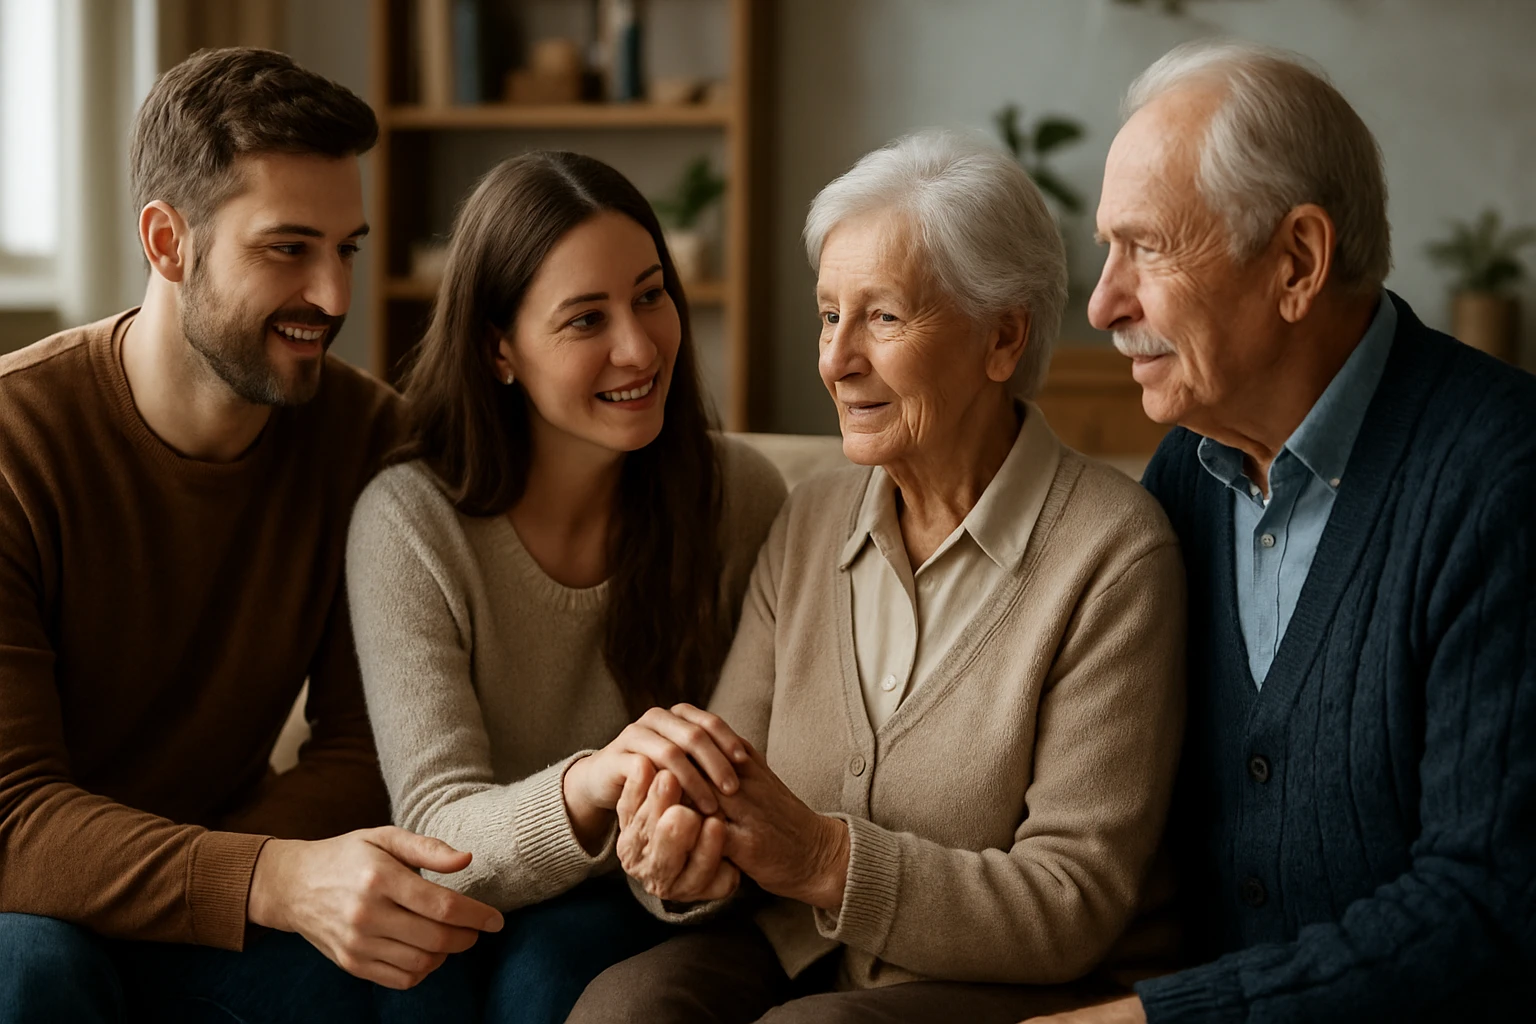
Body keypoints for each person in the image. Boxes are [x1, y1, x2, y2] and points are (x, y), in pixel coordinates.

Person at [567, 130, 1188, 1024]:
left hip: (1010, 988)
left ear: (1003, 336)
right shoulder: (812, 518)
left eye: (883, 317)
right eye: (829, 315)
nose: (836, 359)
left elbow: (1070, 903)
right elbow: (729, 787)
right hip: (796, 958)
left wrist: (825, 859)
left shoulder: (1114, 555)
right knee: (623, 1007)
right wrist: (680, 851)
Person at [1031, 40, 1536, 1024]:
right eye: (1105, 249)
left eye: (1145, 247)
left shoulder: (1500, 478)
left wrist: (1153, 1020)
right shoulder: (1188, 468)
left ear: (1297, 262)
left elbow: (1485, 899)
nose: (1102, 304)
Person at [0, 48, 503, 1023]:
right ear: (166, 241)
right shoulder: (17, 444)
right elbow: (13, 820)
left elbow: (368, 747)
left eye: (347, 247)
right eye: (288, 248)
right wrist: (263, 878)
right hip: (33, 912)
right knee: (30, 967)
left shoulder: (366, 437)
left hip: (213, 894)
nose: (334, 297)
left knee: (425, 961)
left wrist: (239, 882)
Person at [345, 150, 788, 1023]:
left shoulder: (741, 498)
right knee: (413, 978)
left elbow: (753, 777)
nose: (640, 346)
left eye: (651, 295)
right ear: (498, 350)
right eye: (586, 319)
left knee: (547, 970)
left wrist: (684, 853)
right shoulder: (410, 522)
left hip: (654, 907)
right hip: (472, 898)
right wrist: (593, 781)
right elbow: (437, 829)